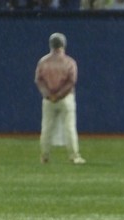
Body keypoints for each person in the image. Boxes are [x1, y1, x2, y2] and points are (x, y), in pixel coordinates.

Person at [34, 33, 85, 165]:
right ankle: (74, 156)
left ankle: (44, 156)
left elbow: (39, 80)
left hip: (48, 99)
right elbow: (71, 81)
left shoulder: (43, 61)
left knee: (46, 128)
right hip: (66, 99)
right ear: (64, 45)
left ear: (50, 45)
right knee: (69, 127)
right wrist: (60, 95)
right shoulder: (69, 62)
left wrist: (48, 94)